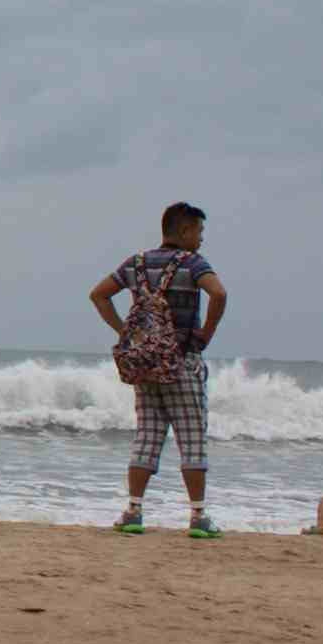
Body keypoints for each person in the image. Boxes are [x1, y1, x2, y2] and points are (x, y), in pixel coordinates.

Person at [89, 203, 228, 537]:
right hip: (181, 361)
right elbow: (218, 294)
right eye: (198, 231)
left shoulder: (136, 263)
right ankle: (197, 517)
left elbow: (99, 295)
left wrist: (125, 332)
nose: (201, 239)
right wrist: (206, 333)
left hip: (146, 364)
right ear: (183, 231)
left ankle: (134, 510)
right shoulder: (193, 263)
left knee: (147, 436)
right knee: (191, 438)